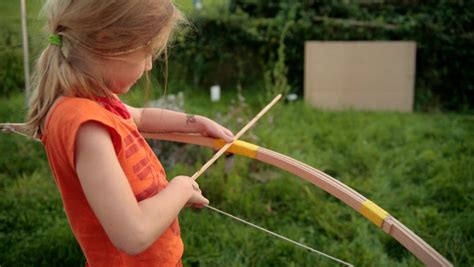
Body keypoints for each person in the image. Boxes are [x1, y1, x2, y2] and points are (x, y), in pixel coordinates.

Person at [24, 0, 234, 266]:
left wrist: (195, 122)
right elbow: (133, 234)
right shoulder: (87, 126)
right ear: (109, 43)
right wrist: (180, 188)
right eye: (146, 53)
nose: (148, 66)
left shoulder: (96, 101)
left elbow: (139, 116)